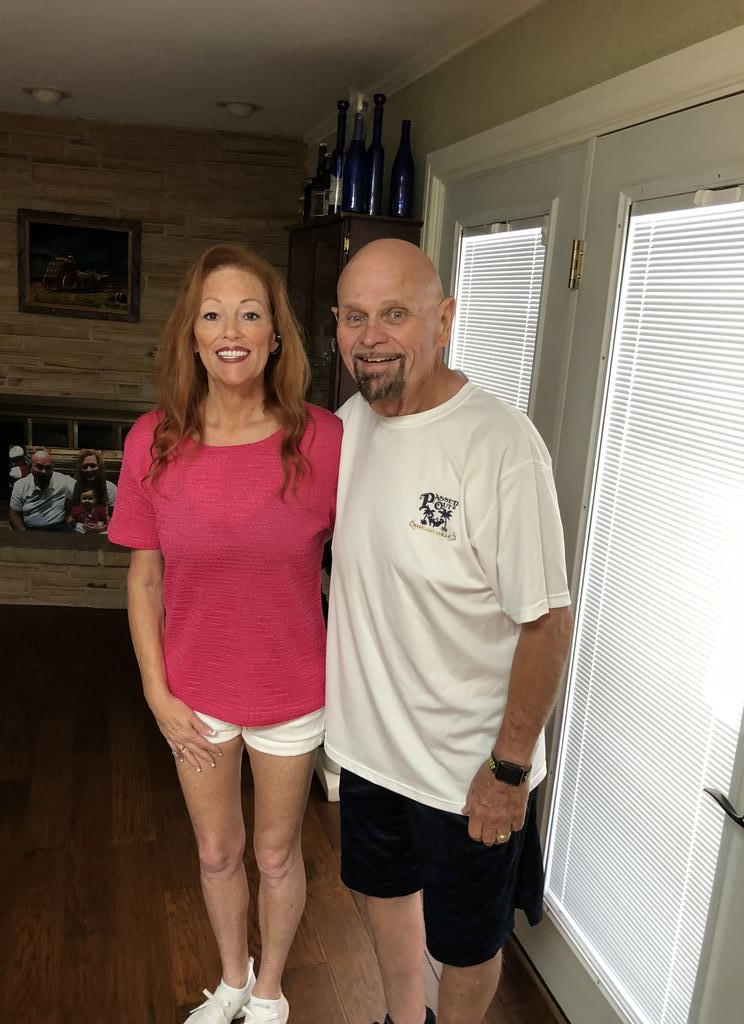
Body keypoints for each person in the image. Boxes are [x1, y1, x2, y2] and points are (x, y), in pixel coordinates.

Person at [325, 239, 574, 1024]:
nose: (371, 337)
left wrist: (508, 769)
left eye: (394, 313)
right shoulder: (347, 428)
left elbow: (547, 620)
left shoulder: (499, 446)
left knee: (466, 941)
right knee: (382, 891)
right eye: (355, 316)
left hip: (467, 769)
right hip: (370, 750)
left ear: (444, 321)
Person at [108, 244, 341, 1024]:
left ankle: (270, 993)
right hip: (194, 694)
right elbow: (144, 580)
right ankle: (232, 981)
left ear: (276, 335)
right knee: (216, 851)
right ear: (193, 335)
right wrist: (157, 694)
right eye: (212, 315)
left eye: (249, 314)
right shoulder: (153, 440)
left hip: (291, 691)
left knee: (275, 854)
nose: (231, 332)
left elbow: (374, 565)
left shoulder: (324, 441)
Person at [8, 449, 74, 530]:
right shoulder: (20, 485)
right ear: (30, 467)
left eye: (48, 468)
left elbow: (81, 489)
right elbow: (14, 514)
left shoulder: (64, 481)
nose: (44, 471)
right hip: (30, 529)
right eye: (39, 467)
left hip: (58, 528)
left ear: (52, 468)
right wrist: (23, 534)